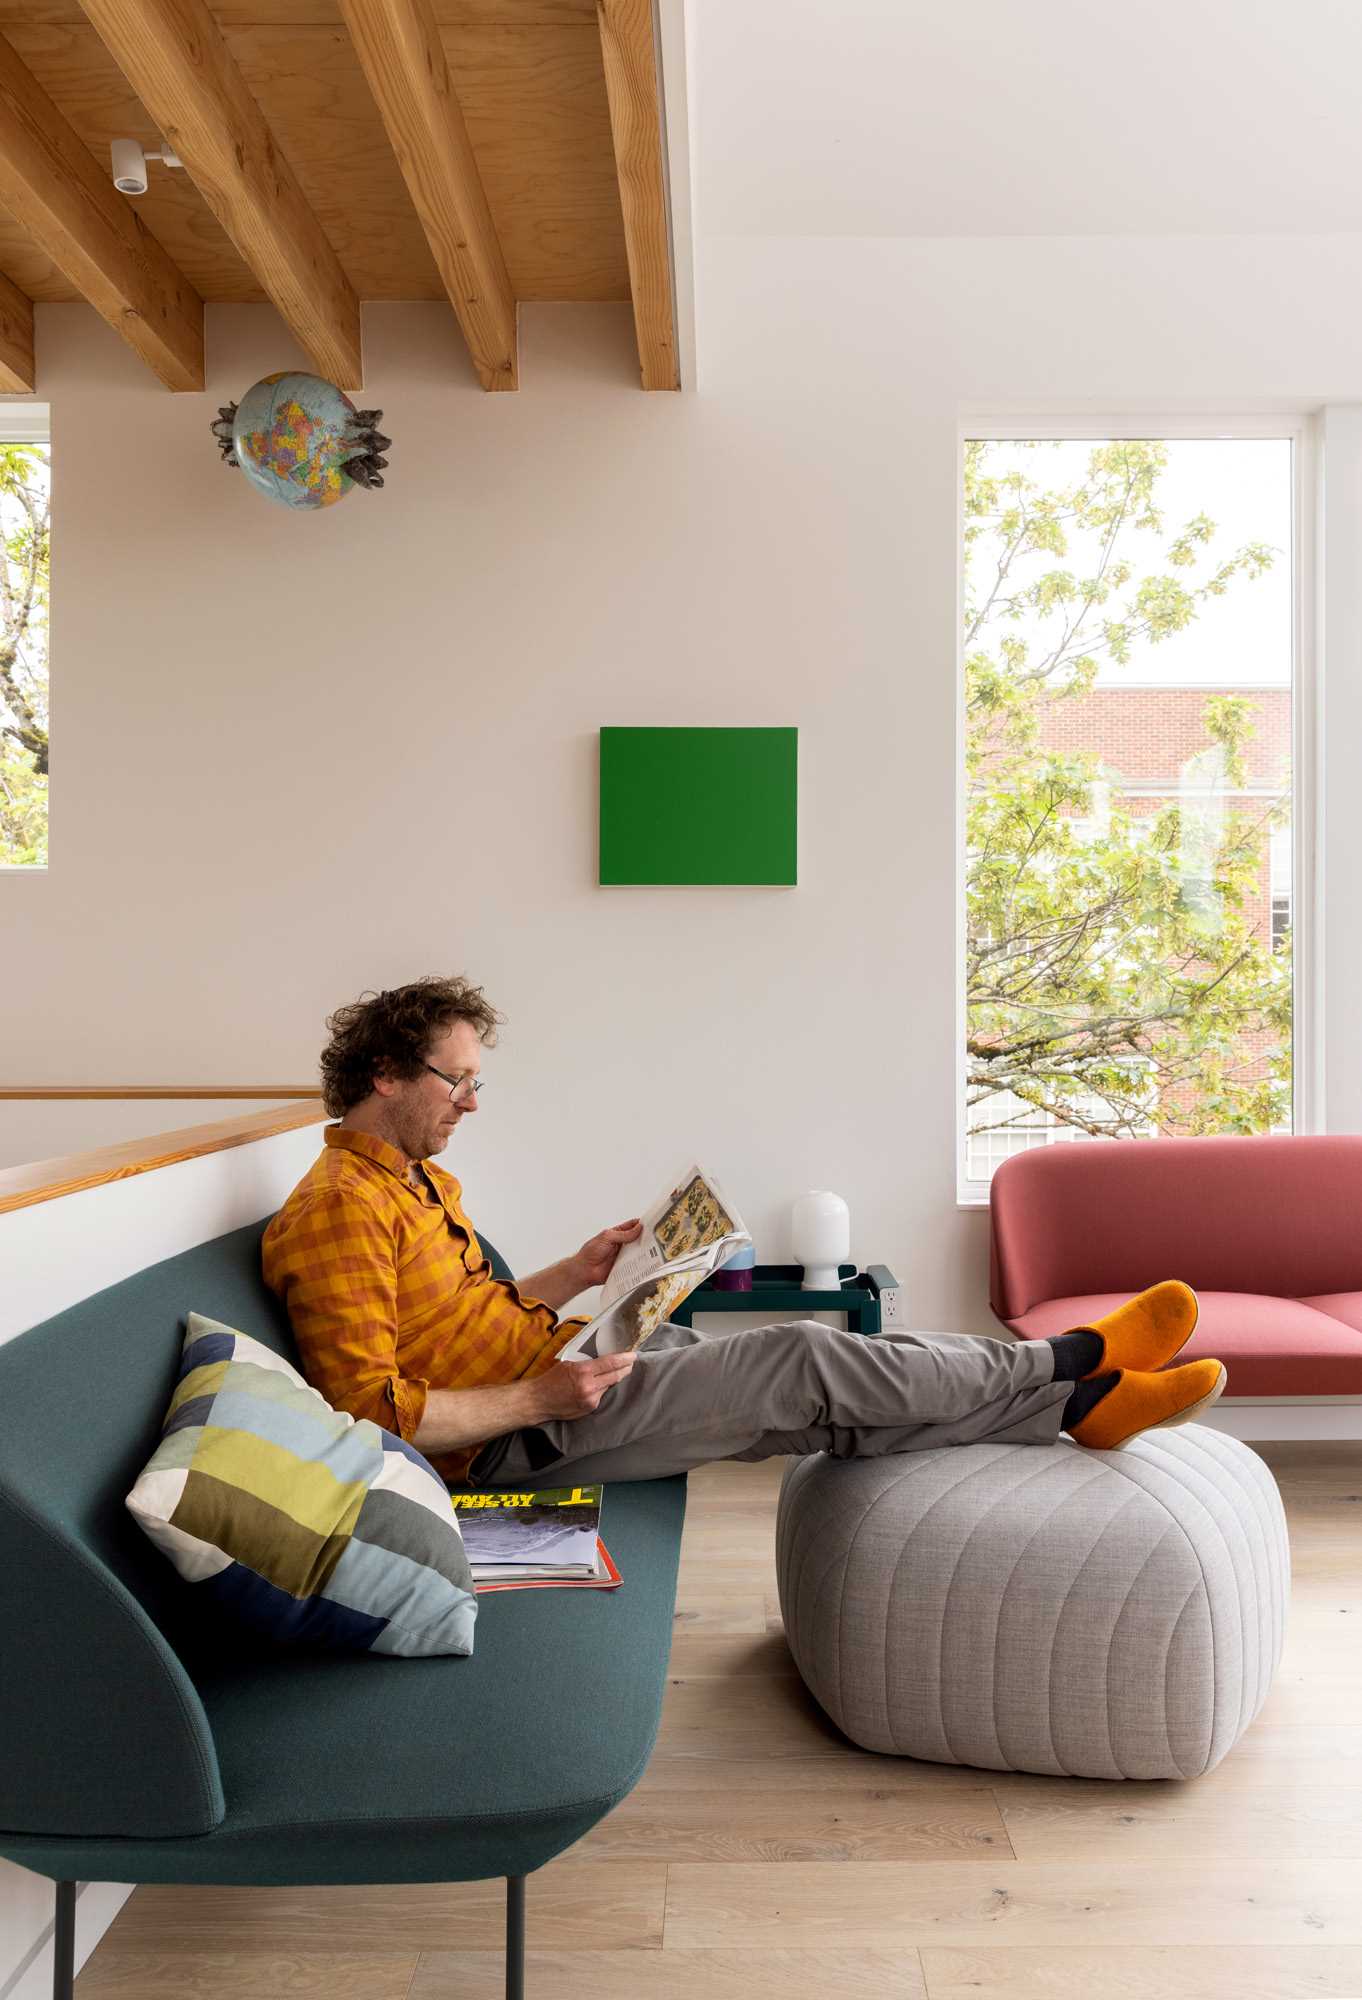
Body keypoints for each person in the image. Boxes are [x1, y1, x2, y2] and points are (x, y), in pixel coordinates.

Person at [262, 976, 1227, 1491]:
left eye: (479, 1082)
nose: (471, 1102)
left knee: (821, 1405)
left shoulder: (414, 1181)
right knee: (809, 1356)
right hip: (522, 1440)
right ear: (386, 1074)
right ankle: (1069, 1356)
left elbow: (461, 1316)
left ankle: (1077, 1408)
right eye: (455, 1080)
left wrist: (585, 1270)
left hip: (564, 1373)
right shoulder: (339, 1209)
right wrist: (538, 1398)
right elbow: (371, 1410)